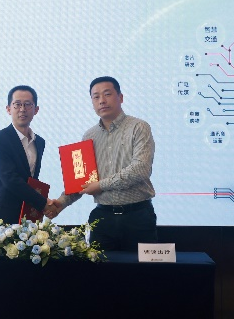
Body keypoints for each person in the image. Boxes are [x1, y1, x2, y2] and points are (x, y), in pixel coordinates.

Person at [48, 76, 158, 251]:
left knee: (141, 268)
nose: (102, 101)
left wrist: (100, 185)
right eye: (96, 97)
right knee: (100, 268)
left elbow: (140, 169)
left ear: (120, 97)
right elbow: (81, 181)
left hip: (138, 216)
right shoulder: (89, 136)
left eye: (107, 94)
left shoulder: (138, 127)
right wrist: (60, 203)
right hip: (103, 218)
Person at [0, 85, 57, 229]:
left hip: (28, 214)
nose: (22, 109)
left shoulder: (39, 142)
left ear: (36, 110)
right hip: (1, 216)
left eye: (28, 104)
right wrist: (43, 203)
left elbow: (31, 180)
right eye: (17, 104)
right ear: (8, 109)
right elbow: (10, 179)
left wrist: (40, 205)